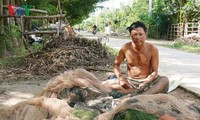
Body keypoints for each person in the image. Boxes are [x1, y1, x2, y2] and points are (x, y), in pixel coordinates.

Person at [102, 21, 169, 98]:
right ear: (130, 36)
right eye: (135, 34)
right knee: (104, 85)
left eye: (140, 34)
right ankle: (138, 93)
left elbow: (154, 72)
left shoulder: (153, 49)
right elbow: (116, 65)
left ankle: (141, 96)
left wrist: (146, 82)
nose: (138, 37)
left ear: (145, 35)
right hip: (131, 82)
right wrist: (121, 79)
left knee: (164, 80)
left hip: (148, 82)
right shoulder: (125, 48)